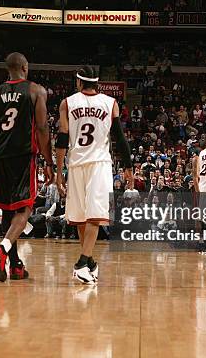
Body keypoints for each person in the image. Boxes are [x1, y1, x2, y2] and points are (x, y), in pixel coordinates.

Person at [0, 52, 53, 282]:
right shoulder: (36, 91)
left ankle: (15, 265)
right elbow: (43, 128)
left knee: (8, 209)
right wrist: (49, 162)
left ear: (8, 70)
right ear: (25, 68)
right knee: (24, 209)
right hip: (23, 156)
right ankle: (2, 249)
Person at [56, 65, 133, 285]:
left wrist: (60, 172)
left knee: (84, 216)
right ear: (97, 83)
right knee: (93, 216)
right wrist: (128, 166)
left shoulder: (67, 103)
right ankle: (84, 263)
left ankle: (87, 262)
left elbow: (62, 139)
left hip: (76, 163)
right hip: (99, 163)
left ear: (79, 82)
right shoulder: (110, 103)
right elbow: (119, 137)